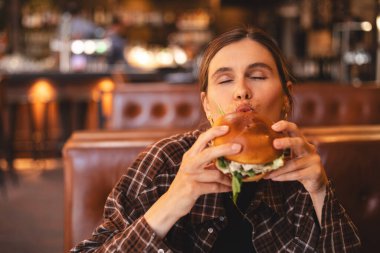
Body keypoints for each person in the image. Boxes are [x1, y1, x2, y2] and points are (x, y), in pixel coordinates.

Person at [71, 27, 361, 252]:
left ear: (286, 99)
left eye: (258, 76)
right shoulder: (166, 160)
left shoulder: (302, 169)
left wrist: (321, 193)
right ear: (207, 105)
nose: (242, 91)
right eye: (225, 80)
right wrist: (173, 201)